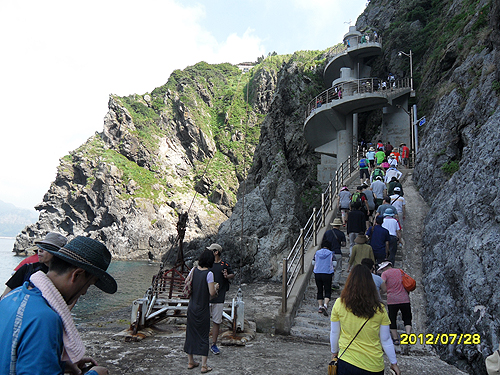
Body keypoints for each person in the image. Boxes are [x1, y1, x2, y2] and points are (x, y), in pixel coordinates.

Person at [0, 236, 115, 375]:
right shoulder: (45, 319)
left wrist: (58, 364)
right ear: (77, 275)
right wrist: (95, 374)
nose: (84, 292)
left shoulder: (13, 296)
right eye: (89, 285)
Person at [330, 265, 401, 375]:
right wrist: (393, 363)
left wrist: (334, 353)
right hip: (373, 366)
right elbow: (386, 339)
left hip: (346, 361)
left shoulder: (340, 303)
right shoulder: (379, 309)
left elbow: (335, 332)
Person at [1, 232, 67, 299]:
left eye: (46, 247)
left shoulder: (65, 276)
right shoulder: (27, 269)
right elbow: (4, 296)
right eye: (41, 247)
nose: (40, 250)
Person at [184, 249, 219, 373]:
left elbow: (187, 283)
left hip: (192, 307)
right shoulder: (209, 274)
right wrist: (215, 287)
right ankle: (204, 366)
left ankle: (190, 362)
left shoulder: (193, 270)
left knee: (191, 333)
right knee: (204, 335)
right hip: (203, 309)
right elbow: (211, 293)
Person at [208, 243, 234, 355]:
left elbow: (232, 274)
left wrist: (227, 276)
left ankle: (213, 344)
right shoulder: (207, 264)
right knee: (204, 321)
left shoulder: (224, 264)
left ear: (216, 252)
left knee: (216, 321)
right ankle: (203, 342)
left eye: (211, 251)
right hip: (207, 297)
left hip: (219, 297)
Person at [378, 261, 412, 346]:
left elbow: (382, 284)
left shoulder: (385, 274)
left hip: (392, 300)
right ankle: (407, 336)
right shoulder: (400, 271)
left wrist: (381, 292)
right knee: (407, 318)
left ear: (384, 268)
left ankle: (396, 339)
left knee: (392, 319)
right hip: (404, 298)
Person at [313, 239, 336, 316]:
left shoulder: (317, 253)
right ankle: (325, 305)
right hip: (327, 273)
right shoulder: (331, 253)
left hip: (317, 273)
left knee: (319, 290)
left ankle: (320, 306)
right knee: (327, 289)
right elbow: (335, 263)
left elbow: (313, 262)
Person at [322, 218, 346, 290]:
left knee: (328, 268)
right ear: (339, 226)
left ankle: (328, 282)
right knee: (338, 269)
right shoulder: (341, 234)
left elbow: (323, 243)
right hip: (337, 253)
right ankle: (335, 283)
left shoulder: (327, 233)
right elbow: (344, 244)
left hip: (328, 254)